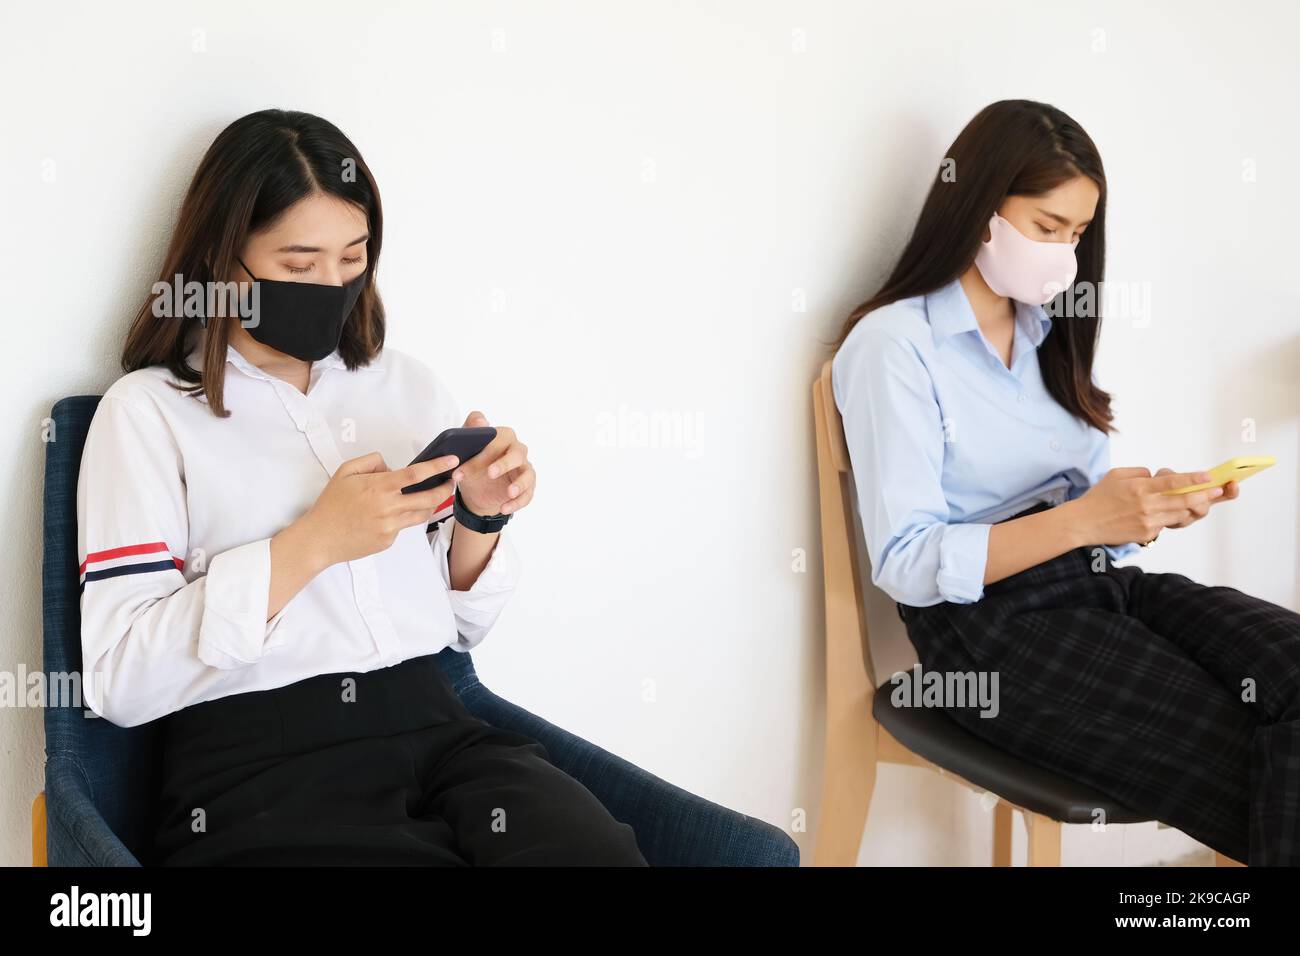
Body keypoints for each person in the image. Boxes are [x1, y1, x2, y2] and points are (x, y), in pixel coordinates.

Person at [76, 108, 646, 866]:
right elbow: (118, 678)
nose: (333, 285)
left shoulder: (404, 388)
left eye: (353, 258)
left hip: (444, 731)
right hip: (260, 768)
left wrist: (481, 517)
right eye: (299, 264)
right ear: (223, 264)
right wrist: (310, 545)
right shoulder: (147, 414)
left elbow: (463, 625)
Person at [830, 99, 1298, 866]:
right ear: (980, 207)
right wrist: (1087, 522)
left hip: (1099, 589)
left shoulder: (1046, 331)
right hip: (990, 637)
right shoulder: (895, 348)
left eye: (1079, 234)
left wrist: (1146, 506)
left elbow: (1076, 504)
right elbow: (908, 562)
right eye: (1049, 228)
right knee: (1246, 756)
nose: (1066, 254)